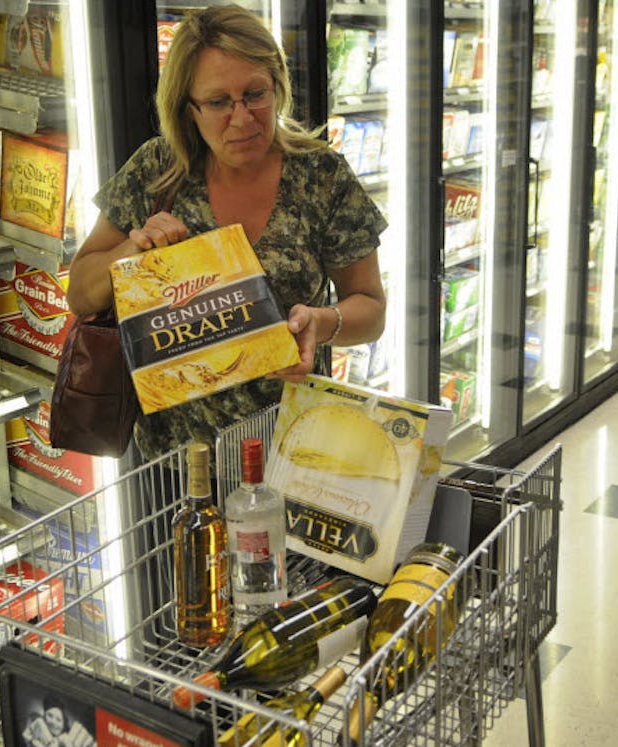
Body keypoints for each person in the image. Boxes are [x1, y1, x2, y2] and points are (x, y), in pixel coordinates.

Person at [67, 4, 388, 457]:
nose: (241, 118)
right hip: (176, 466)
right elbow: (80, 294)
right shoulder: (157, 171)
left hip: (293, 450)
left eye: (256, 94)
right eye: (218, 102)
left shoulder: (321, 175)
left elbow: (372, 309)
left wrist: (322, 322)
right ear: (188, 108)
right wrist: (131, 252)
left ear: (278, 86)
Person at [22, 695, 96, 747]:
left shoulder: (70, 739)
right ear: (44, 715)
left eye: (59, 720)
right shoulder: (37, 730)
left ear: (64, 725)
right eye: (50, 715)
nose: (53, 722)